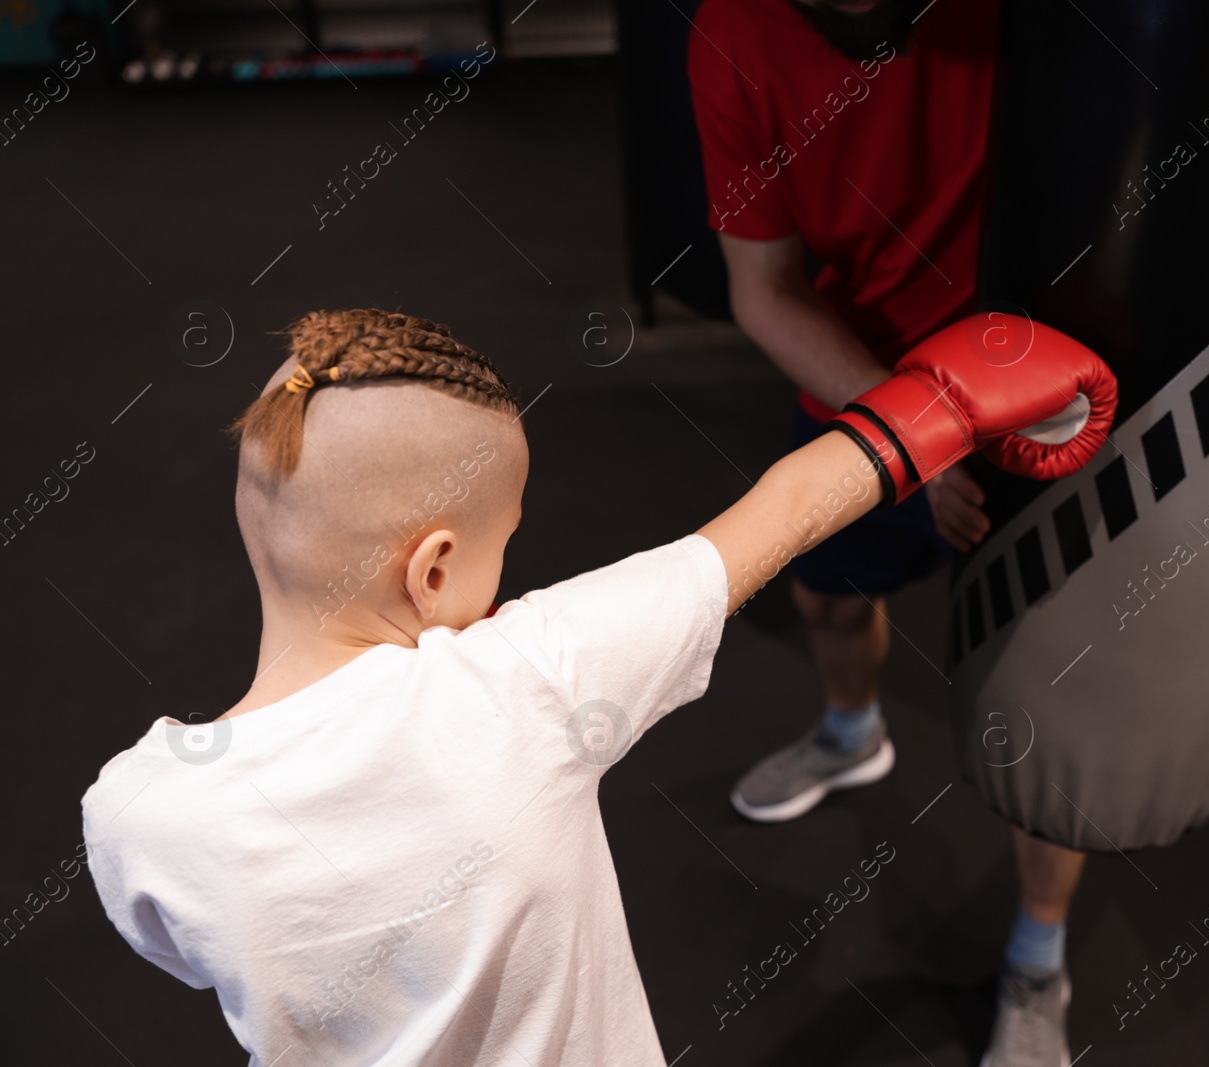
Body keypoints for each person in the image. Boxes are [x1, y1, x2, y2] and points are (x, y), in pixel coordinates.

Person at [686, 1, 1209, 1063]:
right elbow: (762, 292)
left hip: (1067, 396)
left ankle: (1034, 960)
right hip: (868, 387)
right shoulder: (734, 32)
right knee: (826, 592)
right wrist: (916, 436)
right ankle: (850, 732)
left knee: (1050, 705)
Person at [79, 307, 1108, 1065]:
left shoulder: (138, 809)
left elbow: (200, 951)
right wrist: (943, 401)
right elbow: (783, 511)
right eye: (502, 544)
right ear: (433, 569)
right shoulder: (525, 681)